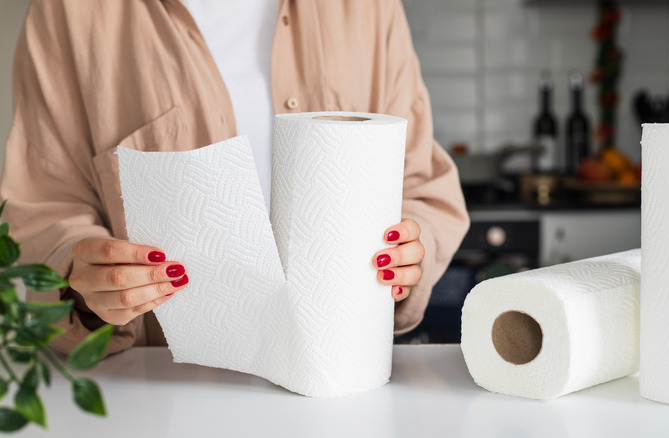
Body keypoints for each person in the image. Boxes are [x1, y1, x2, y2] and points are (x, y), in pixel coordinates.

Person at [0, 0, 469, 355]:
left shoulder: (367, 7)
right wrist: (85, 280)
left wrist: (408, 254)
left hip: (340, 373)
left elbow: (420, 185)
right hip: (165, 396)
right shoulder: (70, 11)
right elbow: (46, 201)